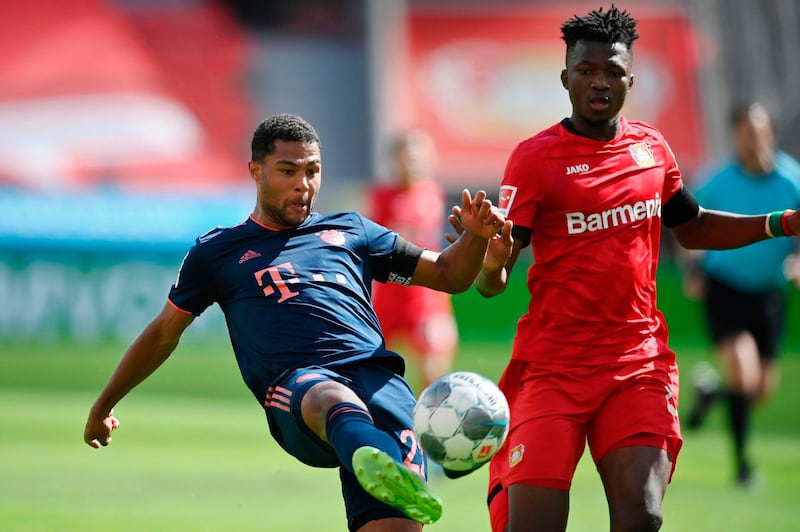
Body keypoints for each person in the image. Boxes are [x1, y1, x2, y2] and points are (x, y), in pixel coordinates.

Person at [445, 6, 800, 532]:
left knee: (642, 515)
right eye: (586, 70)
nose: (599, 82)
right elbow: (494, 283)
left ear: (631, 79)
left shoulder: (652, 148)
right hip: (554, 368)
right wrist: (492, 261)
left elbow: (694, 226)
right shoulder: (534, 159)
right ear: (565, 78)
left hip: (636, 364)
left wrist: (784, 222)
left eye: (612, 71)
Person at [83, 113, 513, 532]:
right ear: (256, 171)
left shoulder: (352, 232)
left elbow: (449, 275)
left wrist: (475, 238)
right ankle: (374, 457)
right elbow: (163, 332)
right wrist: (104, 404)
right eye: (287, 170)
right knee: (329, 395)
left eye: (312, 171)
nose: (302, 184)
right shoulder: (219, 252)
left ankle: (380, 465)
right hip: (297, 391)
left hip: (381, 386)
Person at [681, 101, 800, 486]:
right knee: (744, 374)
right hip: (725, 288)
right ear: (735, 134)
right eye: (745, 130)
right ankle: (743, 466)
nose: (752, 137)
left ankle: (711, 394)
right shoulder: (718, 180)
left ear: (771, 132)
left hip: (769, 294)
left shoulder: (792, 180)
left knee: (760, 390)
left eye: (759, 129)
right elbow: (685, 223)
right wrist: (693, 268)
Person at [366, 128, 458, 391]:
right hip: (388, 298)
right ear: (395, 160)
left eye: (420, 155)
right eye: (408, 156)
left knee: (433, 373)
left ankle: (425, 427)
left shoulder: (434, 194)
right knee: (371, 368)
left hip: (426, 300)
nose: (414, 162)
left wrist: (444, 308)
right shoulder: (381, 197)